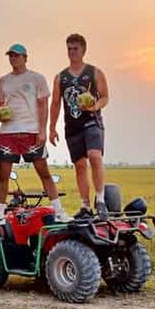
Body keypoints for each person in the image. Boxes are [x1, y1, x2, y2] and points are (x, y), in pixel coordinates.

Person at [0, 43, 70, 225]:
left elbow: (43, 105)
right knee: (3, 176)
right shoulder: (3, 81)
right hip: (8, 132)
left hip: (31, 131)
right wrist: (0, 113)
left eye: (16, 55)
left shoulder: (37, 79)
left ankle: (59, 211)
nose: (13, 58)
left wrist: (42, 130)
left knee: (44, 173)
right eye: (10, 55)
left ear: (25, 58)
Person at [49, 33, 110, 220]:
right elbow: (55, 103)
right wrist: (52, 127)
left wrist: (94, 106)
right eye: (69, 48)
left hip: (92, 121)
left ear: (83, 50)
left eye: (75, 48)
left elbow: (105, 97)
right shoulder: (61, 77)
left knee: (95, 156)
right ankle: (85, 206)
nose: (72, 52)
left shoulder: (94, 72)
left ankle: (100, 200)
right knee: (80, 166)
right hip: (72, 126)